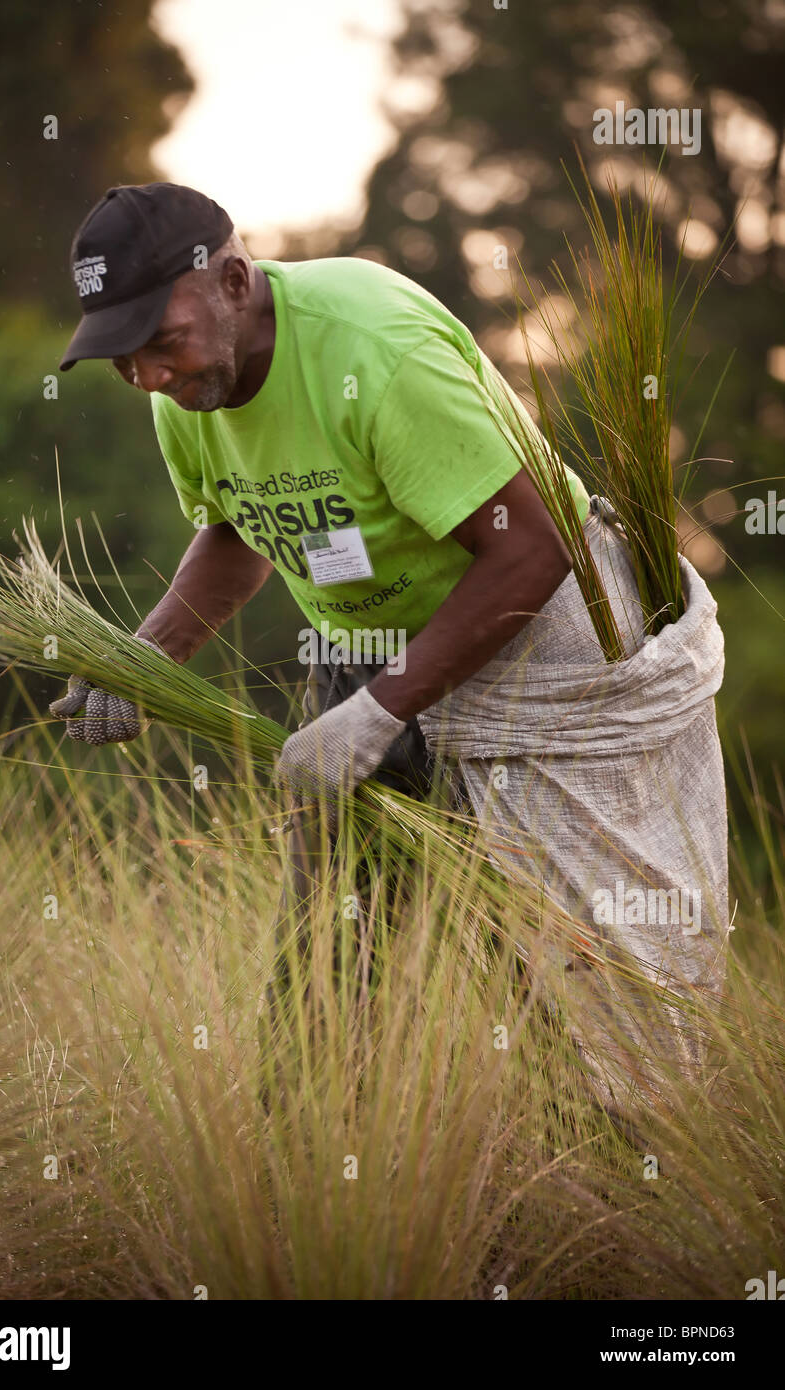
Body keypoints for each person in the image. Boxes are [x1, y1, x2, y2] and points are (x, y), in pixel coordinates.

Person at [50, 183, 728, 1122]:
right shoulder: (186, 387)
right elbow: (238, 533)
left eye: (161, 343)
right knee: (332, 949)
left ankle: (609, 1186)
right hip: (375, 648)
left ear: (235, 282)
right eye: (124, 359)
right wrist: (143, 658)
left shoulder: (374, 351)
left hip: (536, 644)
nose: (150, 377)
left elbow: (533, 548)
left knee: (557, 953)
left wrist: (377, 714)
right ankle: (304, 1181)